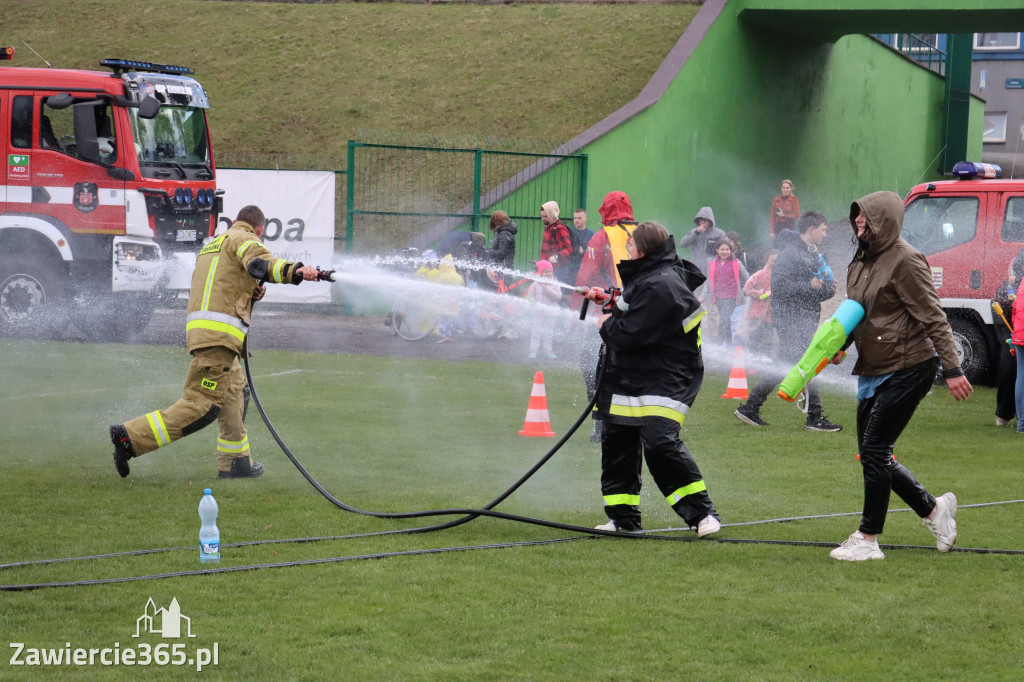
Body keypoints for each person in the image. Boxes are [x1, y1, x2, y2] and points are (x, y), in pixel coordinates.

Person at [109, 205, 322, 479]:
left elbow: (224, 282)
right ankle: (130, 437)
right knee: (203, 404)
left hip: (207, 333)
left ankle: (235, 463)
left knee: (236, 392)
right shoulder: (245, 239)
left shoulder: (215, 244)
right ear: (258, 229)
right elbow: (260, 264)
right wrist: (298, 271)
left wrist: (250, 290)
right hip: (218, 336)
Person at [828, 191, 972, 561]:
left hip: (910, 365)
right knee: (873, 454)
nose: (858, 226)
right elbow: (858, 310)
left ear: (883, 223)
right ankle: (935, 511)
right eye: (856, 220)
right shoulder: (861, 260)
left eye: (865, 221)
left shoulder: (907, 260)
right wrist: (841, 342)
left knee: (874, 450)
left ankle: (868, 539)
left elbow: (934, 317)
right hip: (875, 364)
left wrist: (953, 368)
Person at [582, 221, 720, 537]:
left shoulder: (662, 284)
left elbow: (628, 333)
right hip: (632, 375)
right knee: (617, 441)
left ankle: (702, 515)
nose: (627, 248)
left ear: (641, 249)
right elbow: (636, 307)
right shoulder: (650, 276)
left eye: (630, 244)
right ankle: (623, 519)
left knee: (660, 442)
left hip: (665, 377)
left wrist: (605, 323)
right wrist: (610, 298)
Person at [734, 212, 842, 431]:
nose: (825, 233)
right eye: (823, 229)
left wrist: (828, 290)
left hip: (805, 319)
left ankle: (750, 408)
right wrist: (810, 286)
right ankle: (814, 417)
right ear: (810, 229)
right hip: (790, 321)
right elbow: (781, 289)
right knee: (809, 364)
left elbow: (813, 292)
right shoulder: (789, 254)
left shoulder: (811, 255)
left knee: (783, 365)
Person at [572, 191, 639, 443]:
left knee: (594, 368)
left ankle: (602, 427)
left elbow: (584, 279)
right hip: (640, 314)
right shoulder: (643, 233)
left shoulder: (602, 237)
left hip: (606, 316)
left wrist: (575, 314)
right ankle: (632, 424)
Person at [704, 237, 750, 346]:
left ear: (731, 250)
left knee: (724, 319)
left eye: (727, 250)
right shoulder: (711, 262)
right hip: (718, 296)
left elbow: (747, 277)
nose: (725, 252)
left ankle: (720, 342)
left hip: (732, 296)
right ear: (717, 250)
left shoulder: (736, 262)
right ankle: (730, 344)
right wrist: (702, 296)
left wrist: (749, 289)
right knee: (726, 320)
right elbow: (708, 280)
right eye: (722, 249)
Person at [738, 248, 777, 355]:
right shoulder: (759, 274)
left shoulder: (781, 275)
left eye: (777, 261)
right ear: (766, 261)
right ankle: (754, 359)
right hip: (758, 311)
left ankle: (766, 358)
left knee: (769, 338)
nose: (774, 263)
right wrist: (761, 293)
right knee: (755, 336)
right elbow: (746, 289)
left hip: (772, 312)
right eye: (772, 260)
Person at [994, 261, 1018, 427]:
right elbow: (1003, 299)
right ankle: (1004, 413)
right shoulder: (1012, 280)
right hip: (1009, 327)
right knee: (1009, 366)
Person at [525, 259, 562, 359]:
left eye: (550, 271)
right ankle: (533, 352)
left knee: (548, 333)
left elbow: (558, 297)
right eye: (546, 271)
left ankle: (547, 351)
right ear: (541, 272)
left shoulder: (555, 284)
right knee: (536, 332)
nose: (548, 273)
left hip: (551, 314)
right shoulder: (535, 284)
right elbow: (530, 297)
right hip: (538, 313)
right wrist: (537, 306)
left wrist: (548, 290)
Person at [678, 206, 726, 276]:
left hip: (712, 271)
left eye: (705, 220)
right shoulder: (694, 231)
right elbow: (682, 244)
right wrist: (696, 233)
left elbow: (725, 252)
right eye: (701, 220)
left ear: (710, 221)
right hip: (695, 270)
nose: (702, 222)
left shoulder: (719, 234)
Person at [480, 211, 518, 291]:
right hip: (504, 270)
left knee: (499, 294)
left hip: (503, 272)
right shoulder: (505, 233)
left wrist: (487, 251)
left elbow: (501, 253)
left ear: (495, 222)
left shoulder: (504, 234)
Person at [539, 201, 573, 284]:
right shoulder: (548, 226)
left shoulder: (560, 228)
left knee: (557, 294)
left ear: (551, 215)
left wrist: (556, 256)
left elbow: (568, 249)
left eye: (545, 216)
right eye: (542, 216)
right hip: (548, 269)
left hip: (559, 270)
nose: (542, 219)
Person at [434, 254, 465, 343]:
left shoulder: (442, 275)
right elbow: (462, 285)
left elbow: (437, 287)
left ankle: (444, 335)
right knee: (450, 320)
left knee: (442, 318)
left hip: (444, 302)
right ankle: (448, 336)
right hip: (454, 302)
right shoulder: (457, 276)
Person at [566, 208, 595, 290]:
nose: (576, 220)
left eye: (579, 218)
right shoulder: (568, 232)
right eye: (575, 218)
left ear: (585, 219)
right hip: (570, 268)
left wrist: (584, 251)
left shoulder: (592, 234)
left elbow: (595, 252)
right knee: (569, 292)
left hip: (585, 270)